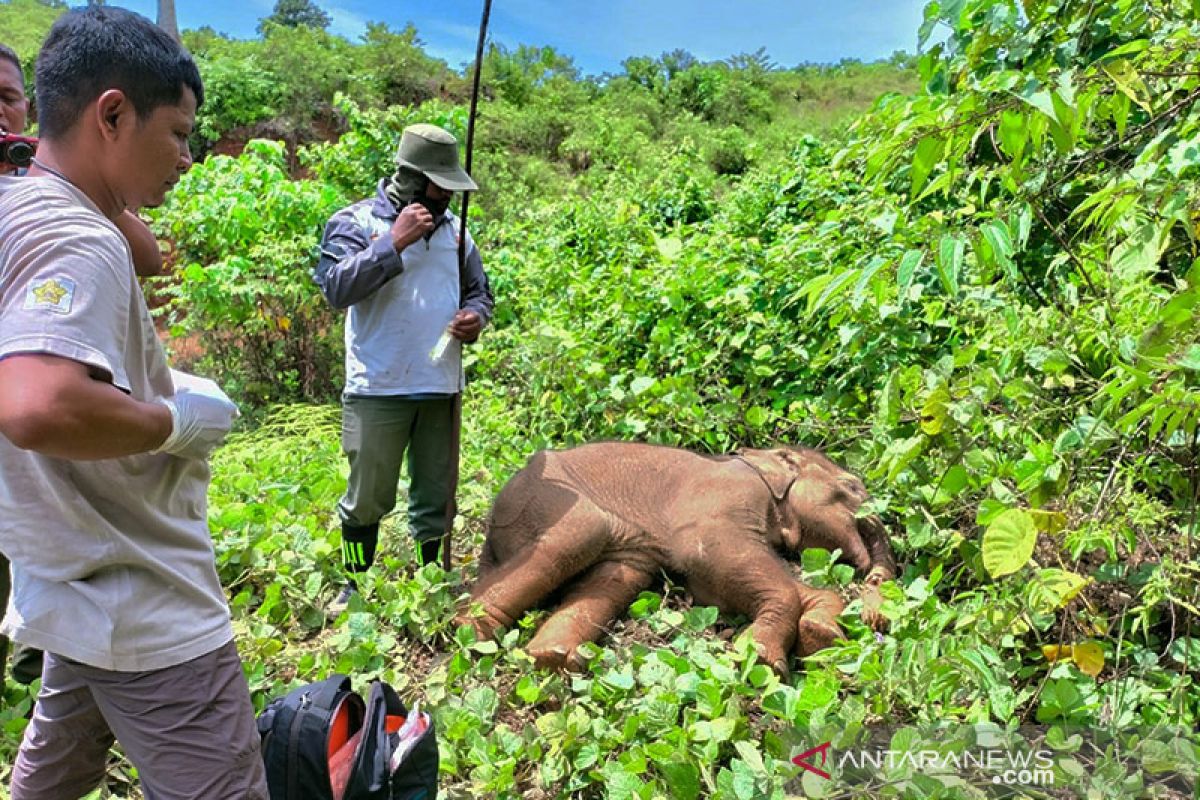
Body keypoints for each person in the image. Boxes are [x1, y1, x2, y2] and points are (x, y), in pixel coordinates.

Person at [0, 8, 267, 799]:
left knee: (57, 768)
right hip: (142, 592)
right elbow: (37, 403)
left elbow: (141, 251)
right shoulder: (78, 238)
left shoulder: (22, 203)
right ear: (112, 113)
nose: (188, 156)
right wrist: (174, 422)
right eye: (180, 134)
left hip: (68, 571)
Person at [0, 42, 168, 693]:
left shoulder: (40, 188)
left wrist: (55, 180)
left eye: (8, 97)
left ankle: (34, 647)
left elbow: (149, 253)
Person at [314, 123, 493, 613]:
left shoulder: (458, 234)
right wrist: (393, 243)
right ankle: (355, 582)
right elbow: (335, 288)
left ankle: (431, 580)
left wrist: (475, 316)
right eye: (439, 187)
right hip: (378, 386)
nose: (446, 198)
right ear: (413, 179)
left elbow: (480, 291)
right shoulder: (355, 222)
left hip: (440, 386)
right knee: (367, 496)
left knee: (435, 494)